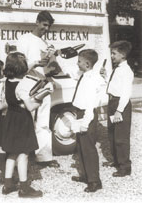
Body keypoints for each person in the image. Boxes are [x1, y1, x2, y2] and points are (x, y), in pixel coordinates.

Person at [55, 49, 103, 192]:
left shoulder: (92, 79)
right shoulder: (83, 74)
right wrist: (58, 56)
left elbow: (90, 105)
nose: (77, 63)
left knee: (88, 149)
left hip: (86, 115)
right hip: (79, 113)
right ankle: (85, 175)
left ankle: (94, 181)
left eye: (79, 61)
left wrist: (85, 123)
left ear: (87, 63)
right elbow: (68, 70)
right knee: (81, 147)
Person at [16, 10, 60, 168]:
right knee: (26, 121)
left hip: (43, 84)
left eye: (48, 27)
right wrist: (35, 62)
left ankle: (44, 157)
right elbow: (18, 67)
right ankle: (22, 156)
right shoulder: (24, 40)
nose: (46, 29)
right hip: (29, 84)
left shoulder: (46, 44)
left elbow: (47, 67)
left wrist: (50, 77)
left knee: (43, 122)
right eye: (44, 25)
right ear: (37, 22)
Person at [1, 52, 46, 198]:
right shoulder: (22, 86)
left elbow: (11, 100)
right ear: (22, 69)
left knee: (12, 152)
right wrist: (41, 98)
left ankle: (7, 184)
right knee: (23, 154)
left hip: (11, 118)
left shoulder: (6, 81)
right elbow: (30, 107)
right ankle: (24, 188)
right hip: (22, 120)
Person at [100, 41, 134, 177]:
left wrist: (119, 110)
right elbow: (115, 86)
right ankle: (116, 161)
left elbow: (126, 93)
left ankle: (125, 167)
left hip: (121, 105)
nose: (112, 56)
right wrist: (105, 76)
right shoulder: (118, 68)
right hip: (113, 102)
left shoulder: (127, 71)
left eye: (114, 53)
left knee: (121, 137)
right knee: (112, 134)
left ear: (123, 54)